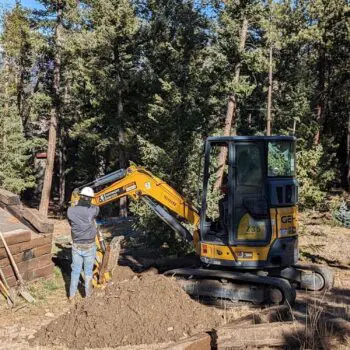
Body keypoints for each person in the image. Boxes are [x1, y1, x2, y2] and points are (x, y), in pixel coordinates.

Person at [67, 187, 99, 300]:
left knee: (75, 271)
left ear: (80, 196)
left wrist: (75, 203)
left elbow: (70, 220)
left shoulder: (70, 210)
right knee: (88, 272)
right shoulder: (93, 210)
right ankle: (88, 296)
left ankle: (71, 296)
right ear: (90, 199)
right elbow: (96, 208)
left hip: (76, 245)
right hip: (89, 246)